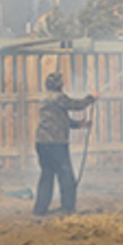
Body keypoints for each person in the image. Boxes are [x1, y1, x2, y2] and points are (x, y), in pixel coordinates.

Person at [33, 72, 97, 216]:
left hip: (42, 143)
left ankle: (40, 209)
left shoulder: (45, 98)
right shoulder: (59, 97)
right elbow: (76, 105)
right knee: (66, 174)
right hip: (56, 143)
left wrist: (80, 124)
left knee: (47, 175)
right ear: (60, 85)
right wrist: (91, 98)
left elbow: (60, 120)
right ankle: (68, 207)